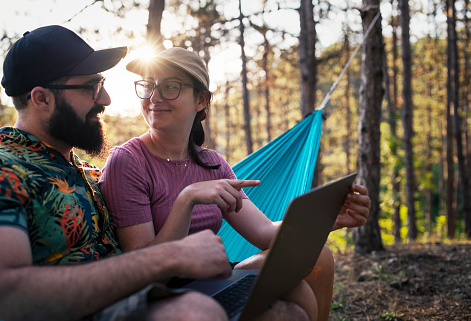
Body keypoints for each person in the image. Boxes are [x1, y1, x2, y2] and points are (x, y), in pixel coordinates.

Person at [0, 26, 241, 321]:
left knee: (275, 303)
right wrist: (170, 256)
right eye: (91, 87)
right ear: (42, 98)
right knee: (194, 314)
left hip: (134, 300)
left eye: (103, 84)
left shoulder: (86, 172)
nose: (106, 99)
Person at [99, 47, 372, 321]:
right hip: (162, 294)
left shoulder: (212, 164)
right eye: (148, 86)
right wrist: (186, 200)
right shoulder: (128, 162)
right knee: (288, 311)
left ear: (201, 100)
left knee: (317, 259)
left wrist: (327, 219)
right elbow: (142, 270)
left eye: (170, 86)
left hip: (211, 278)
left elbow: (264, 231)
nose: (154, 97)